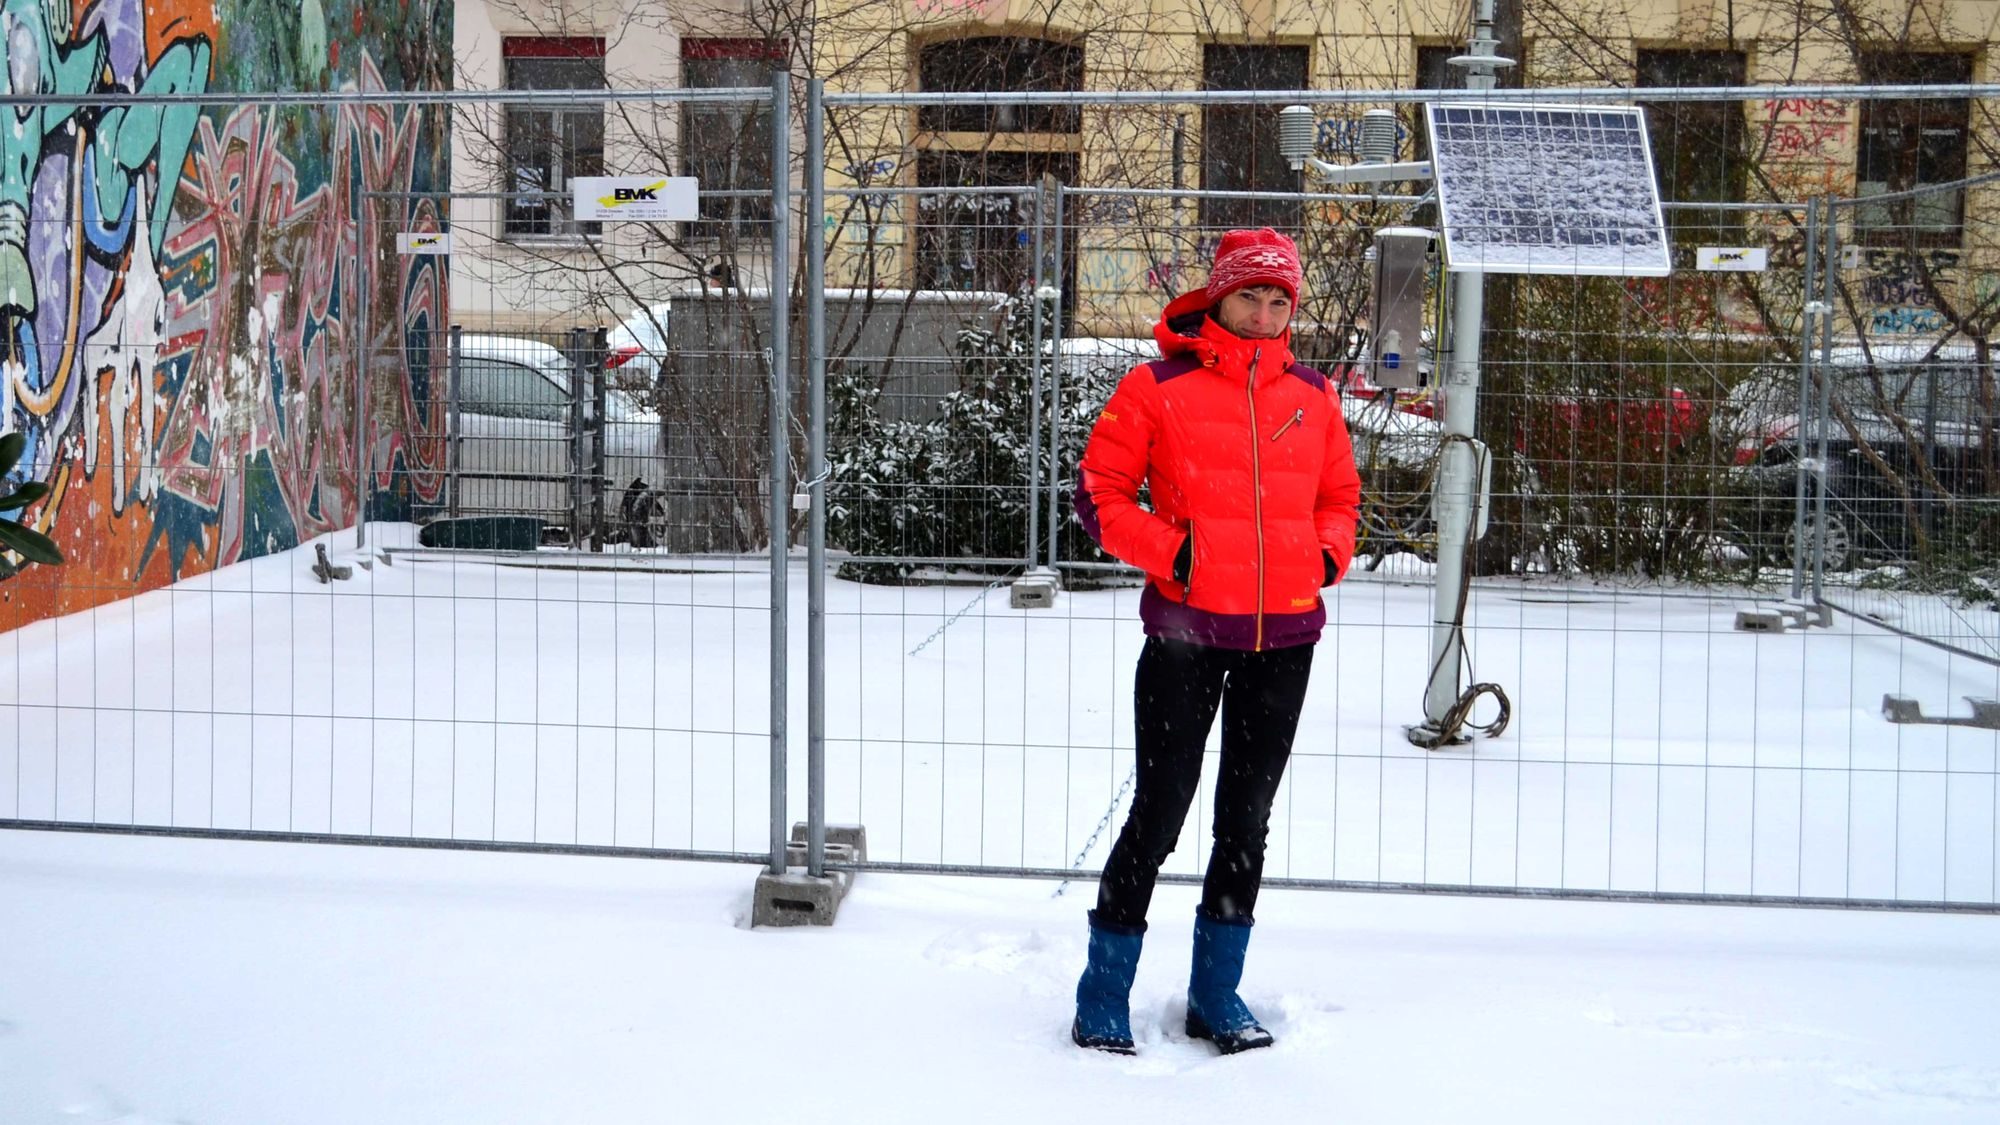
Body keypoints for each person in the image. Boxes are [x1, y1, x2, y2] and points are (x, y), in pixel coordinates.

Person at [1068, 227, 1362, 1056]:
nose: (1265, 313)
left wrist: (1329, 553)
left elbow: (1341, 493)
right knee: (1159, 813)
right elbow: (1100, 493)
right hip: (1185, 637)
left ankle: (1215, 994)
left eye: (1279, 300)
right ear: (1218, 298)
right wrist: (1179, 554)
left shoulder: (1314, 394)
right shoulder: (1157, 386)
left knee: (1246, 821)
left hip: (1285, 637)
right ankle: (1103, 993)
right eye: (1250, 297)